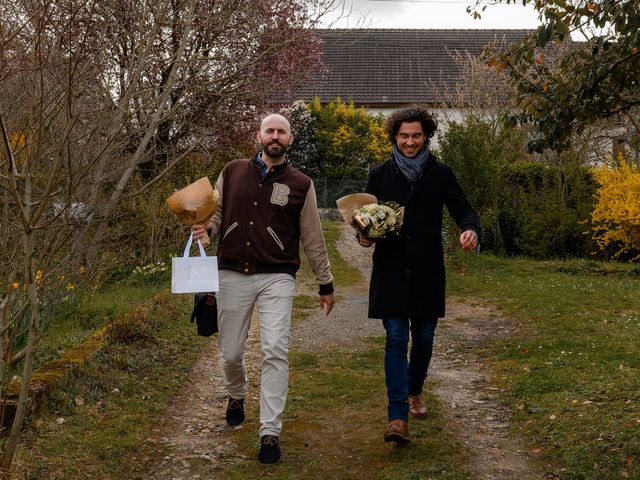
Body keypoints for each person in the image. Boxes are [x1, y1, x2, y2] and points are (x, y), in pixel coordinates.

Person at [191, 113, 335, 464]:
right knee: (230, 353)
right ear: (259, 136)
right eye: (269, 130)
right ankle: (236, 393)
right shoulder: (232, 170)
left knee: (274, 350)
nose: (275, 136)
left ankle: (270, 431)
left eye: (281, 132)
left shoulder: (302, 184)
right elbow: (216, 209)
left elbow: (313, 236)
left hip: (277, 276)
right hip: (231, 273)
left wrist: (325, 281)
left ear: (290, 139)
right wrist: (206, 229)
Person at [357, 106, 480, 443]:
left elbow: (464, 209)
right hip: (391, 270)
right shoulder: (378, 175)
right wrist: (364, 236)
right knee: (396, 337)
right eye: (404, 136)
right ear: (395, 137)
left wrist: (470, 229)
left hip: (427, 270)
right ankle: (397, 416)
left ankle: (415, 390)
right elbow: (364, 222)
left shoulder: (440, 173)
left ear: (426, 136)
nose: (409, 142)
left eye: (415, 136)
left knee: (424, 338)